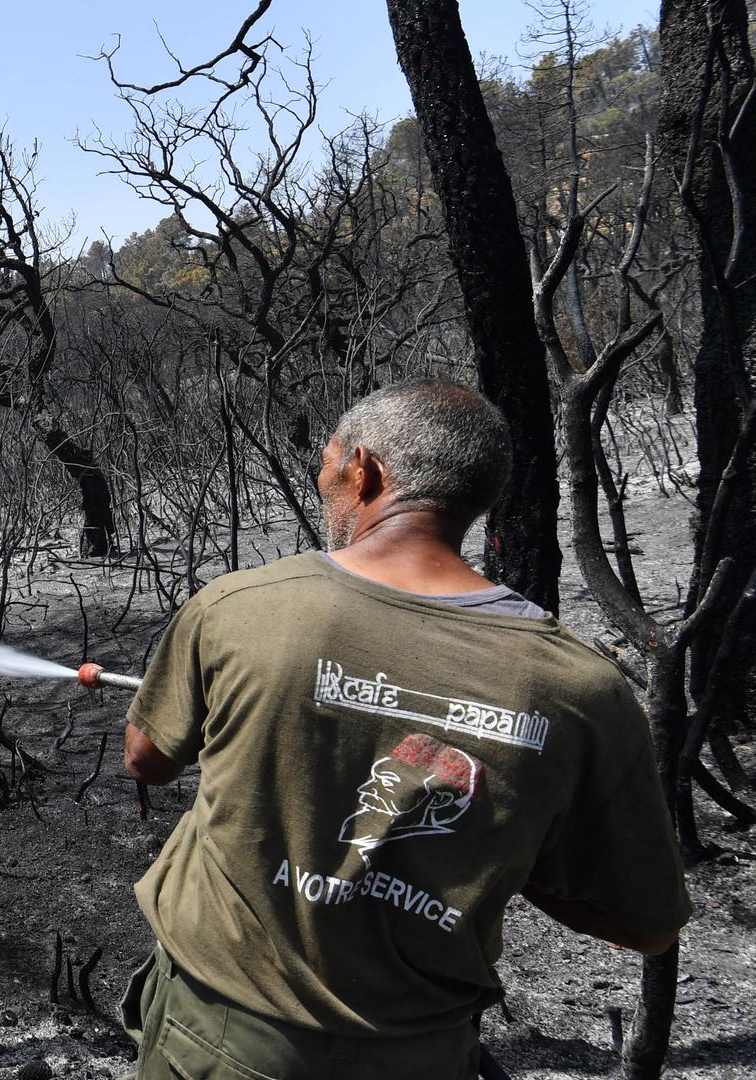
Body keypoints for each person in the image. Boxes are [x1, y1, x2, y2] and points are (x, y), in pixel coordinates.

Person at [116, 380, 690, 1079]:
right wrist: (508, 843)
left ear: (365, 470)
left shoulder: (240, 608)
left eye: (326, 465)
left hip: (218, 1038)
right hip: (421, 1054)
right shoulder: (583, 690)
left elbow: (146, 761)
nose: (324, 482)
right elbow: (650, 925)